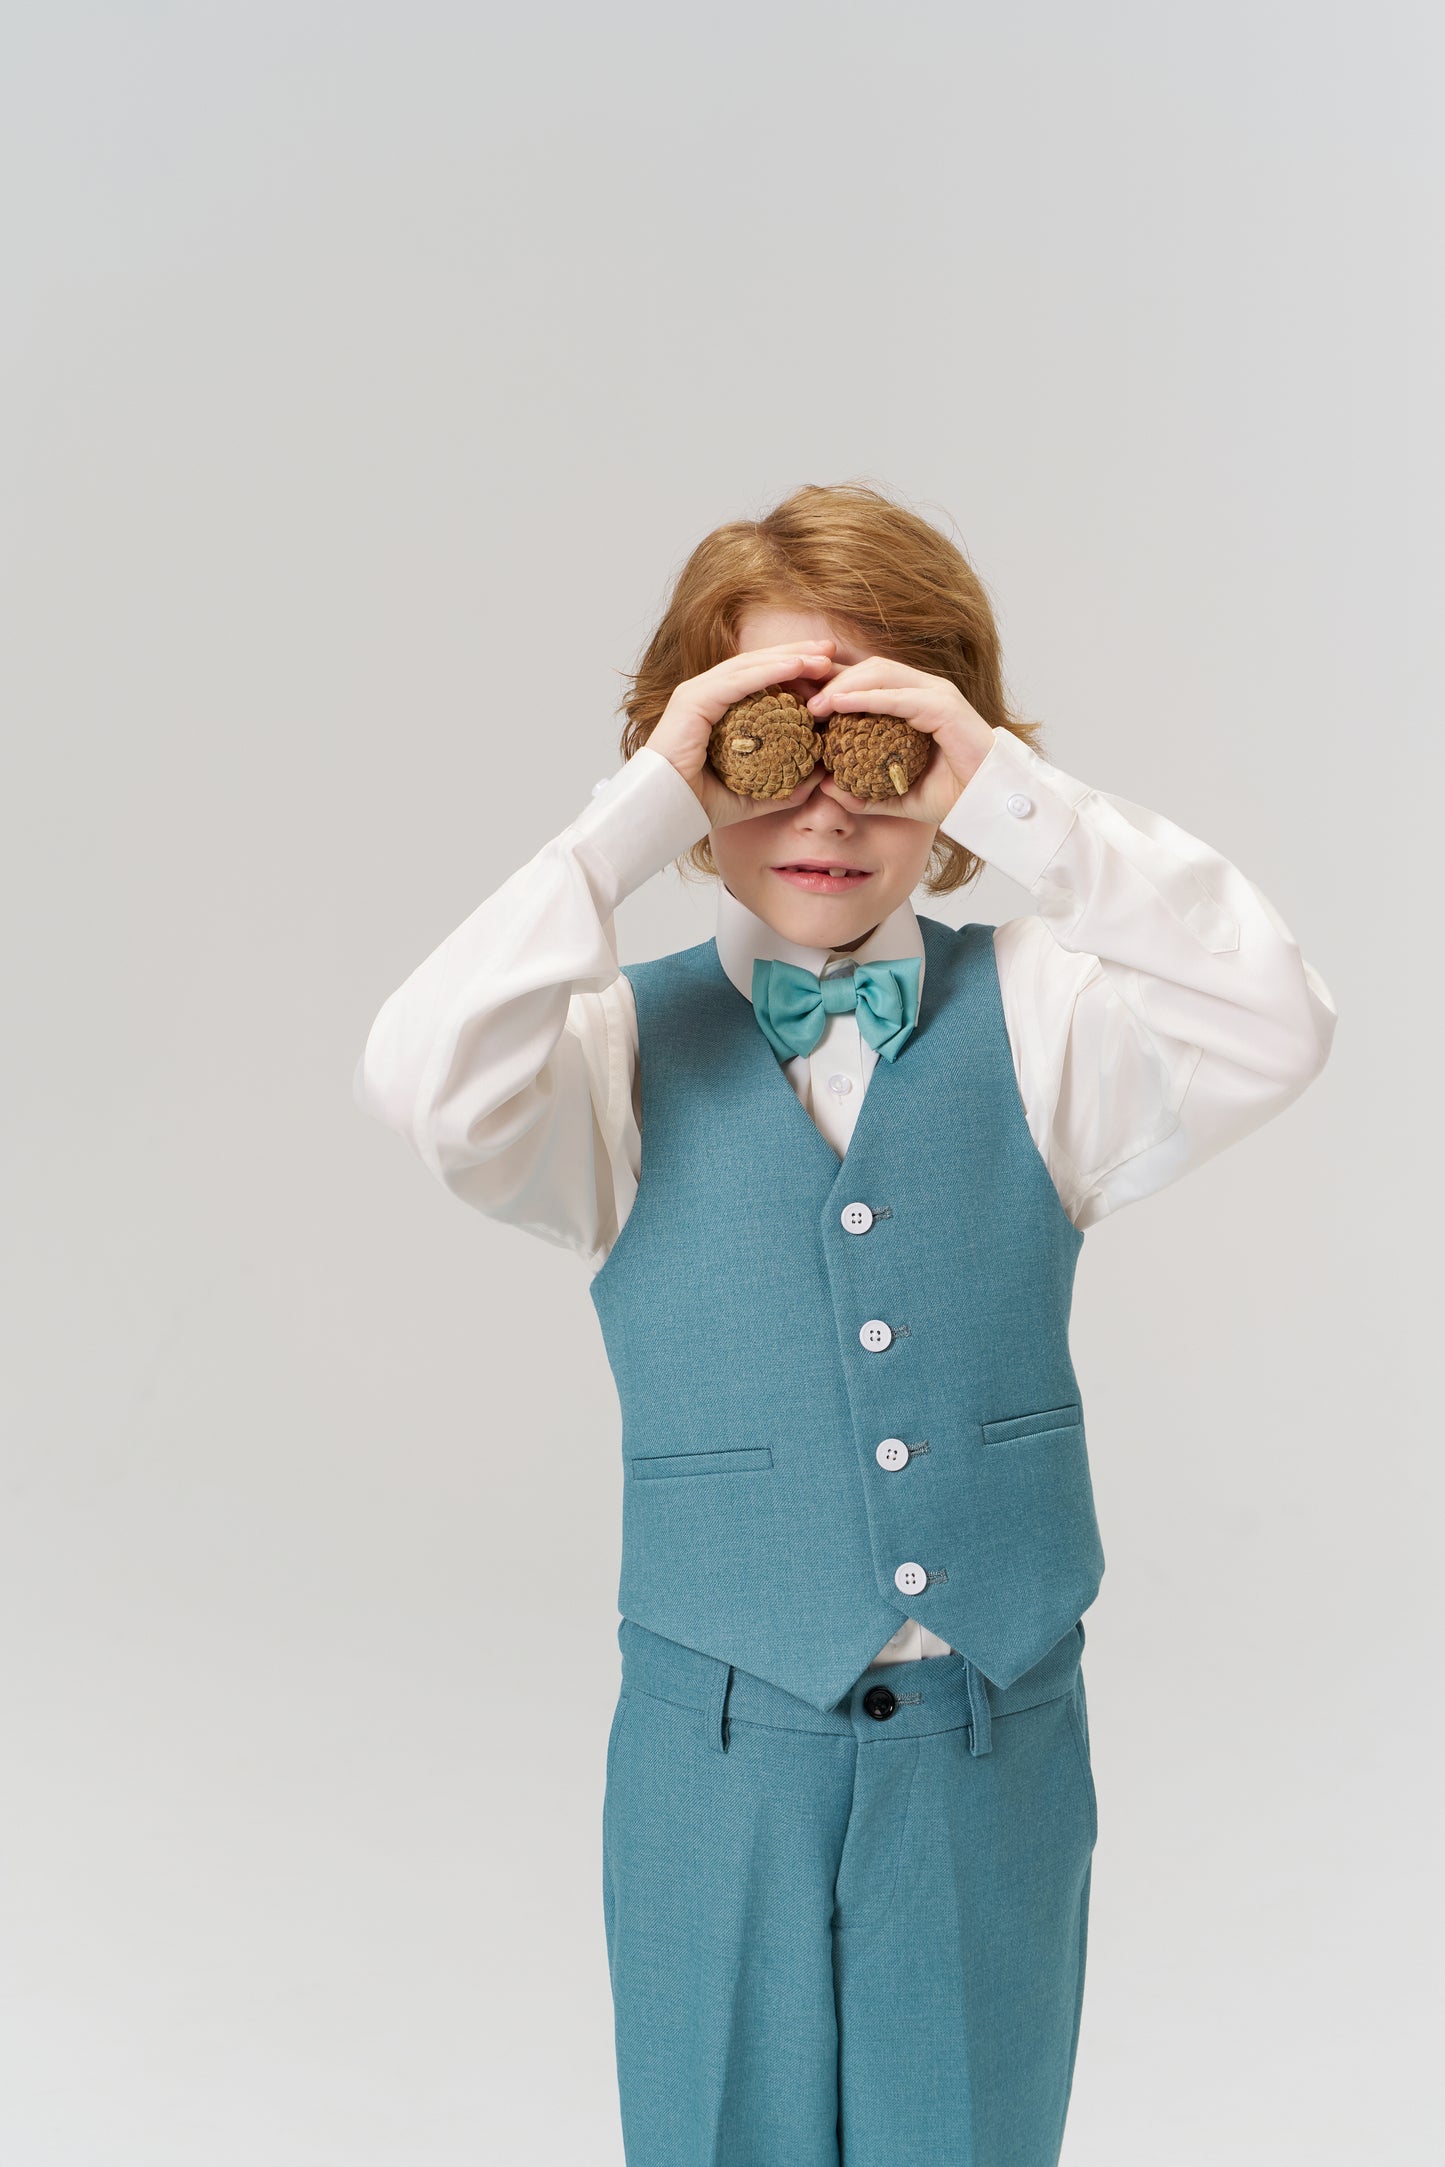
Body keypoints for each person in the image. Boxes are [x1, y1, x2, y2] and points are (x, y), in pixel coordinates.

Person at [354, 481, 1336, 2165]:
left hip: (986, 1741)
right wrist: (634, 812)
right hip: (714, 1752)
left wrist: (1009, 793)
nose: (825, 804)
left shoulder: (1046, 1017)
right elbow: (418, 1076)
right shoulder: (598, 1055)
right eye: (761, 749)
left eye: (872, 743)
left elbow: (1274, 1017)